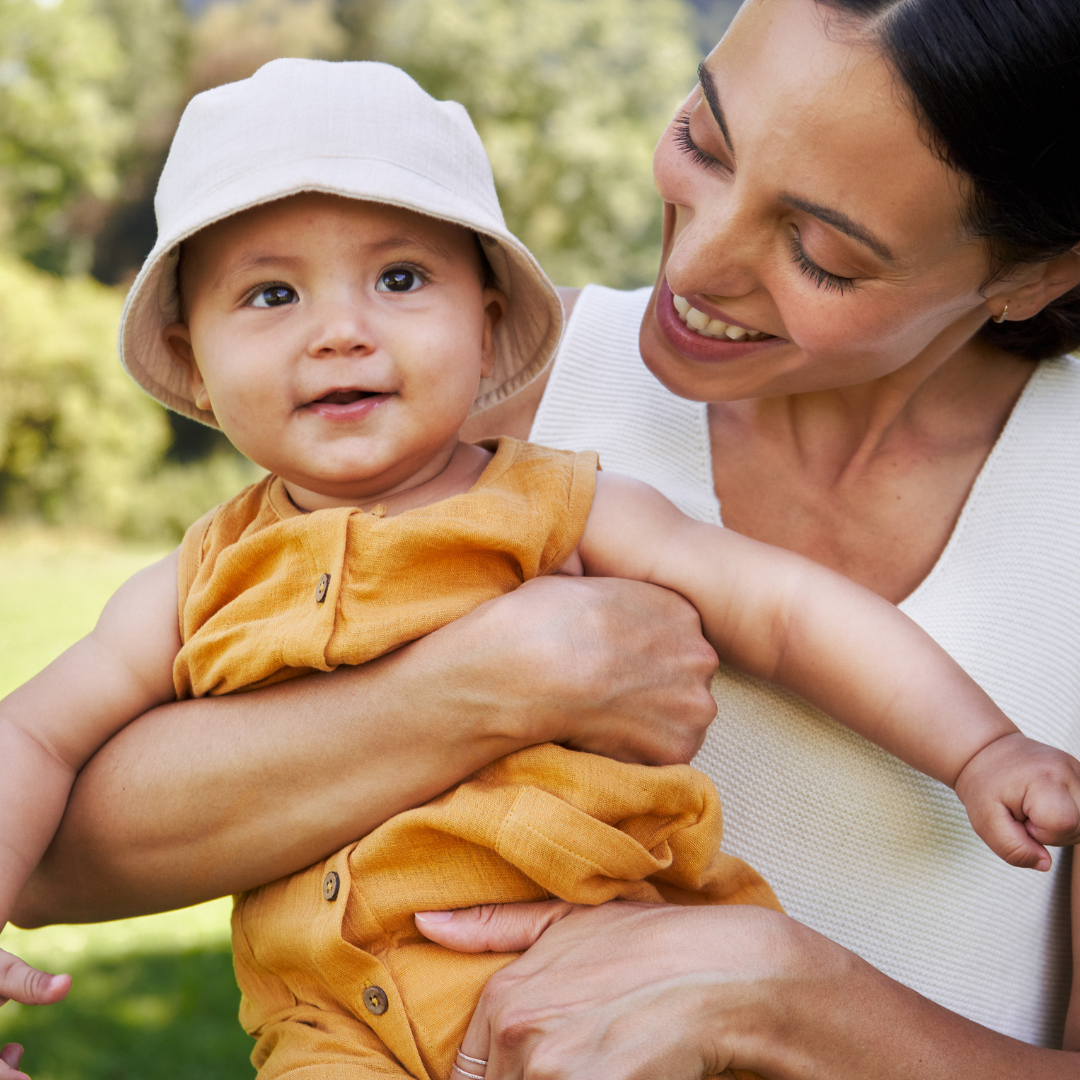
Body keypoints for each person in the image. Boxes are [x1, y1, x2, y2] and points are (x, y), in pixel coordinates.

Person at [7, 0, 1080, 1074]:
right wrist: (485, 685)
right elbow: (51, 822)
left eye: (822, 251)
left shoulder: (539, 483)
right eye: (701, 141)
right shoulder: (402, 436)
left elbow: (787, 614)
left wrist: (809, 979)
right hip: (332, 1025)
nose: (698, 264)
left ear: (1035, 273)